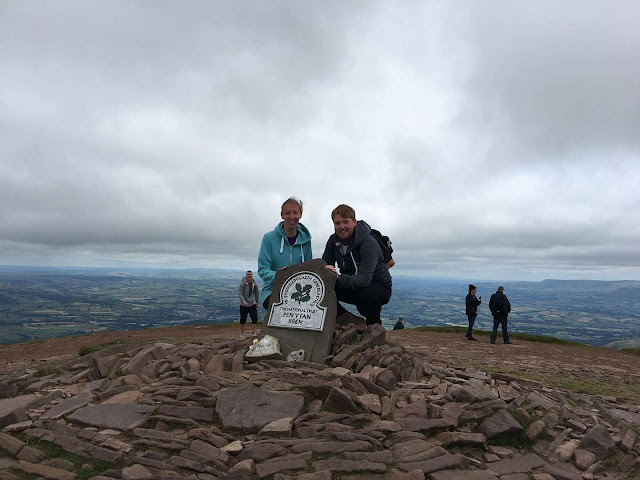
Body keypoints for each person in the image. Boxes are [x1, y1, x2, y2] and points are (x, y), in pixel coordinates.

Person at [323, 204, 392, 326]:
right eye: (337, 223)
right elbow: (325, 264)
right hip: (352, 283)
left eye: (345, 222)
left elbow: (364, 279)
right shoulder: (333, 241)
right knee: (323, 289)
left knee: (368, 296)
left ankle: (374, 328)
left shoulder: (368, 243)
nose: (341, 227)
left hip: (377, 285)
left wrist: (338, 278)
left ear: (354, 222)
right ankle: (346, 320)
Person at [258, 197, 312, 310]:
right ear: (282, 215)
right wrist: (280, 276)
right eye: (287, 213)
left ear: (300, 214)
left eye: (295, 213)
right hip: (272, 290)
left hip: (299, 291)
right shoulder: (269, 238)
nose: (292, 217)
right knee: (283, 310)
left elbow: (309, 269)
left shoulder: (306, 240)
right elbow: (263, 270)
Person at [238, 271, 260, 337]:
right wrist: (243, 301)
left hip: (252, 304)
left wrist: (257, 302)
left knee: (254, 318)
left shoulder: (254, 284)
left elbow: (257, 293)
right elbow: (240, 293)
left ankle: (254, 332)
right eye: (248, 274)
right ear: (246, 275)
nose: (249, 275)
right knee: (243, 319)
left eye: (250, 274)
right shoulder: (242, 284)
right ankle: (242, 332)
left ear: (252, 275)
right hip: (244, 305)